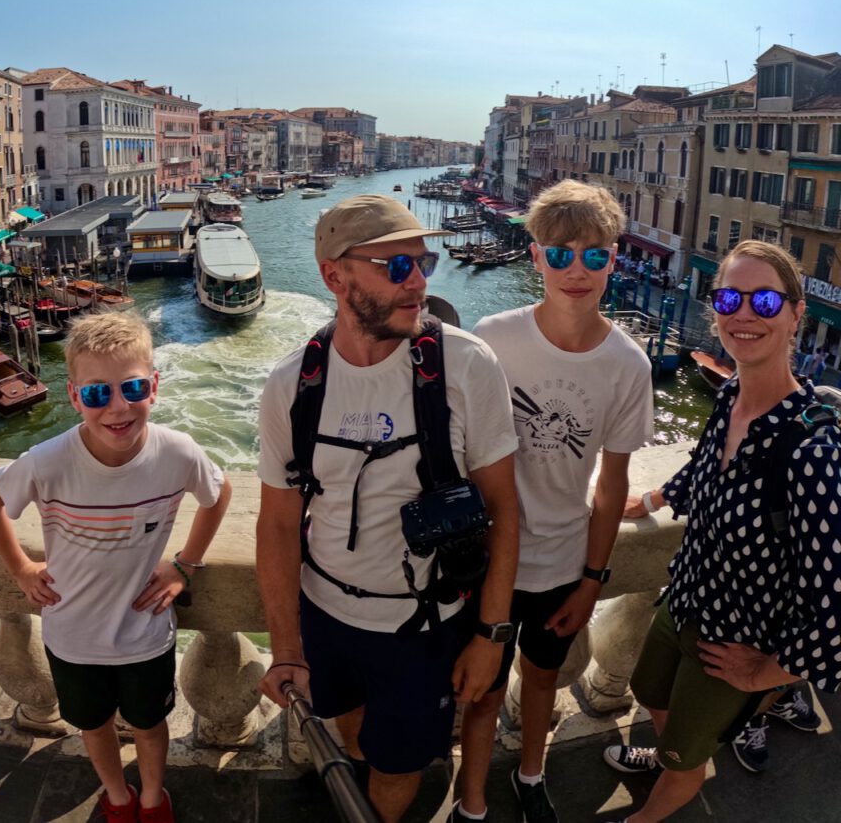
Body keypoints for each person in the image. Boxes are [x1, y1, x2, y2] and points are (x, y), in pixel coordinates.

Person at [256, 194, 520, 823]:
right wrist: (287, 647)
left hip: (423, 626)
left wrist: (490, 635)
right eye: (397, 267)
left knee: (401, 766)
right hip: (326, 615)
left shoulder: (466, 366)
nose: (419, 282)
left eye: (423, 263)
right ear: (334, 276)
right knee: (352, 735)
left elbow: (505, 509)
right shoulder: (293, 384)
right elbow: (278, 523)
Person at [602, 240, 841, 823]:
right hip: (684, 597)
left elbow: (835, 611)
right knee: (649, 692)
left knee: (686, 763)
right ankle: (675, 755)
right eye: (730, 299)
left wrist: (764, 673)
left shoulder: (815, 453)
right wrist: (652, 499)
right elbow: (705, 467)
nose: (744, 313)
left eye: (765, 301)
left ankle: (670, 784)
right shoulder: (732, 394)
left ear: (796, 314)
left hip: (737, 641)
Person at [0, 312, 232, 823]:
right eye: (96, 394)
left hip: (145, 635)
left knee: (150, 726)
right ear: (74, 397)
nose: (117, 407)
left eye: (132, 388)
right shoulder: (48, 461)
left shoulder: (177, 452)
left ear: (154, 386)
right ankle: (117, 796)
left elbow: (217, 495)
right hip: (72, 637)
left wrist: (185, 563)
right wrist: (21, 567)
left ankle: (152, 799)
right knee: (93, 726)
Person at [454, 180, 654, 823]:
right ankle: (472, 802)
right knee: (483, 690)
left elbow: (612, 485)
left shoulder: (628, 365)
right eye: (561, 254)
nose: (577, 270)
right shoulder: (492, 338)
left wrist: (592, 581)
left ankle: (532, 777)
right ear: (536, 256)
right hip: (488, 558)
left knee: (543, 678)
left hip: (563, 563)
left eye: (593, 256)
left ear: (613, 260)